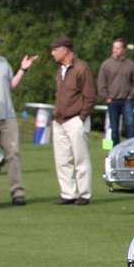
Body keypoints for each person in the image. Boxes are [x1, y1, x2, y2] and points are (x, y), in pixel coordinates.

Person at [0, 32, 39, 206]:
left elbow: (11, 86)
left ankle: (17, 191)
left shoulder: (3, 62)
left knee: (13, 154)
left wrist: (23, 69)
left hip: (8, 115)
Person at [49, 36, 96, 206]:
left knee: (80, 159)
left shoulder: (81, 68)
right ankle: (68, 193)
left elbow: (90, 96)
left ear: (64, 50)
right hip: (59, 120)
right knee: (62, 159)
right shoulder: (60, 69)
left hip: (75, 119)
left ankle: (84, 193)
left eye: (55, 49)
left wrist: (81, 117)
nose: (52, 53)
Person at [96, 38, 134, 144]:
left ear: (124, 49)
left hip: (126, 100)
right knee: (114, 129)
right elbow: (101, 82)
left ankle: (131, 147)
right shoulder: (106, 64)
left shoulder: (130, 65)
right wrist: (106, 97)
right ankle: (115, 149)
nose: (115, 50)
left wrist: (131, 95)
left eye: (118, 48)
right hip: (112, 100)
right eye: (114, 48)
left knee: (130, 125)